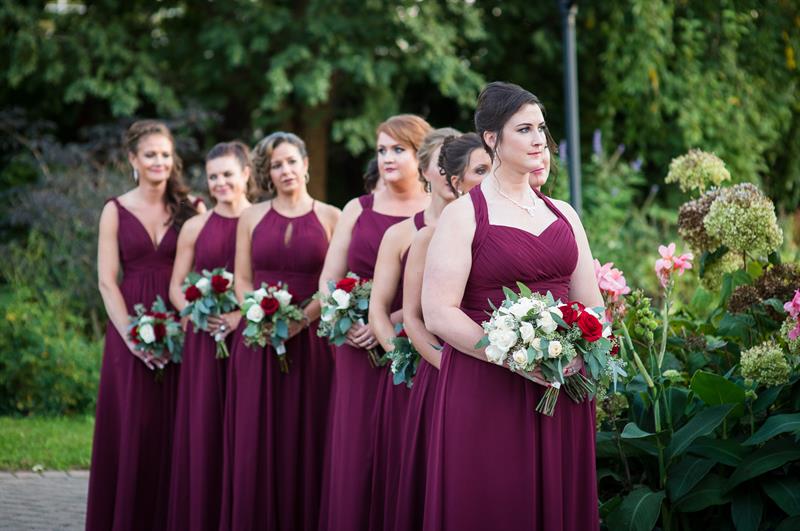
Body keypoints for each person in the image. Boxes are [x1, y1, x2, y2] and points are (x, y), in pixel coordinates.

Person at [421, 82, 601, 530]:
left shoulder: (564, 213)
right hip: (487, 385)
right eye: (524, 129)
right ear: (491, 138)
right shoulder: (464, 214)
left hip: (562, 386)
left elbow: (593, 306)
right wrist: (511, 357)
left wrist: (581, 352)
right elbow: (438, 312)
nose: (539, 138)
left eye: (541, 127)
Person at [87, 119, 204, 531]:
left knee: (179, 426)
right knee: (135, 427)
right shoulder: (114, 210)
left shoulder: (193, 206)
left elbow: (208, 267)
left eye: (166, 155)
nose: (160, 162)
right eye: (151, 154)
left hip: (183, 326)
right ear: (133, 159)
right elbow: (106, 279)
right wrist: (132, 336)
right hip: (130, 329)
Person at [220, 132, 339, 531]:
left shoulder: (332, 217)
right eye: (276, 165)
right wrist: (259, 315)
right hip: (257, 339)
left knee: (308, 435)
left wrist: (299, 320)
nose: (285, 170)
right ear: (267, 173)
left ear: (306, 163)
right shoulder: (251, 216)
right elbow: (241, 277)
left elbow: (334, 283)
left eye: (291, 161)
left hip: (312, 343)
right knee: (255, 438)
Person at [318, 114, 432, 531]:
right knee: (355, 444)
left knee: (405, 441)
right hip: (354, 345)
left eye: (398, 149)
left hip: (411, 342)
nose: (386, 157)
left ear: (421, 155)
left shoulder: (436, 210)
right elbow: (329, 278)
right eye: (381, 149)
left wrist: (387, 318)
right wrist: (343, 318)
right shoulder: (357, 207)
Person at [392, 132, 489, 531]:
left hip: (505, 367)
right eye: (480, 170)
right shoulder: (428, 236)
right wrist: (447, 365)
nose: (489, 177)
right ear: (454, 181)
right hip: (446, 372)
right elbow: (414, 318)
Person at [166, 141, 255, 531]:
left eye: (228, 175)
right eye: (213, 176)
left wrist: (239, 315)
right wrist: (198, 312)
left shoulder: (261, 220)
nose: (220, 183)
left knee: (243, 431)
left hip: (249, 335)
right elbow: (176, 286)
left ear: (246, 175)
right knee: (204, 429)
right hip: (205, 339)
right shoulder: (195, 226)